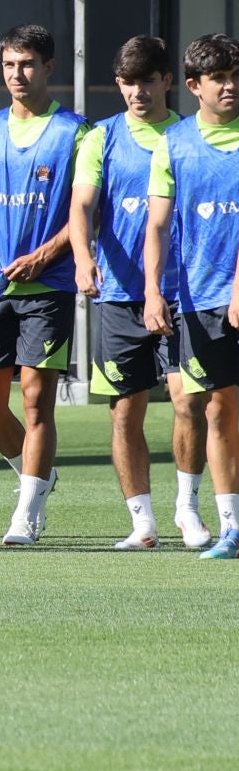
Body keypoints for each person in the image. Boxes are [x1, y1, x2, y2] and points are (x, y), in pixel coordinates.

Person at [0, 24, 86, 547]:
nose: (16, 74)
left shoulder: (74, 131)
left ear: (49, 67)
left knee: (35, 402)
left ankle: (26, 514)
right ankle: (38, 475)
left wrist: (47, 254)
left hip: (48, 287)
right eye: (9, 64)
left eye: (26, 64)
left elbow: (86, 212)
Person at [71, 35, 210, 548]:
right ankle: (142, 522)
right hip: (118, 296)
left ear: (168, 82)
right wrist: (84, 260)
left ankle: (187, 510)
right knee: (125, 410)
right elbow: (82, 207)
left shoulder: (190, 136)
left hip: (182, 293)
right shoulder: (100, 139)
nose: (138, 92)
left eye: (147, 81)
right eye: (129, 83)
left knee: (185, 401)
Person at [144, 33, 239, 560]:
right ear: (193, 86)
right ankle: (232, 527)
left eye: (235, 76)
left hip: (233, 294)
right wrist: (154, 292)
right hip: (201, 299)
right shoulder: (174, 144)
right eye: (218, 78)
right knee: (218, 410)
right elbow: (157, 226)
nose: (229, 86)